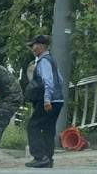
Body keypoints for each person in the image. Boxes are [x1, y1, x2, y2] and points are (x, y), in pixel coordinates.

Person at [25, 35, 64, 168]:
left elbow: (48, 81)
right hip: (58, 100)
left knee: (33, 125)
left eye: (33, 46)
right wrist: (56, 95)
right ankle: (48, 158)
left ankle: (39, 156)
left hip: (48, 101)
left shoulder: (43, 61)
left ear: (40, 47)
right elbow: (61, 80)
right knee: (48, 128)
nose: (32, 49)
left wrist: (47, 99)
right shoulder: (51, 60)